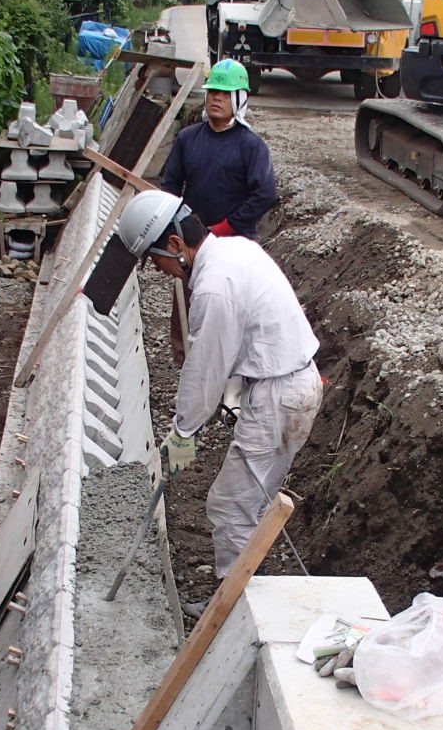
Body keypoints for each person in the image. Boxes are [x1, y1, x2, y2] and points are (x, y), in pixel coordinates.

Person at [114, 189, 322, 594]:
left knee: (230, 505)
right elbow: (233, 347)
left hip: (279, 396)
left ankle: (234, 610)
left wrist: (183, 433)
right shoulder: (235, 249)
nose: (158, 270)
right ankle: (248, 593)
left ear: (176, 244)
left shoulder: (213, 286)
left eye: (155, 259)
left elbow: (204, 369)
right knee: (253, 503)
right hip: (286, 384)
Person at [158, 58, 277, 240]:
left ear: (240, 98)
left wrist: (227, 226)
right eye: (213, 91)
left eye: (226, 93)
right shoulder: (187, 138)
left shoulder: (252, 146)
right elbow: (170, 184)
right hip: (192, 238)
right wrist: (176, 222)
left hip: (235, 241)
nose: (217, 98)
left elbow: (266, 194)